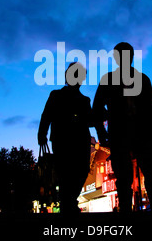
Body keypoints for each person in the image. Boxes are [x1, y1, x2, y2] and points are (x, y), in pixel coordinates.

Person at [93, 42, 152, 213]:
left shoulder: (140, 79)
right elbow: (96, 108)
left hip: (139, 132)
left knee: (146, 173)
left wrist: (103, 130)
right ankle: (132, 211)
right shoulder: (112, 80)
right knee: (127, 176)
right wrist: (102, 131)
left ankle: (150, 210)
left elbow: (151, 109)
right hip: (125, 132)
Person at [37, 62, 92, 214]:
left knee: (79, 170)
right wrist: (42, 134)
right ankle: (69, 202)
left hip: (76, 139)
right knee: (67, 171)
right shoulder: (57, 95)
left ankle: (69, 200)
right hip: (65, 139)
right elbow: (46, 115)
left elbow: (90, 120)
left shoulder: (84, 100)